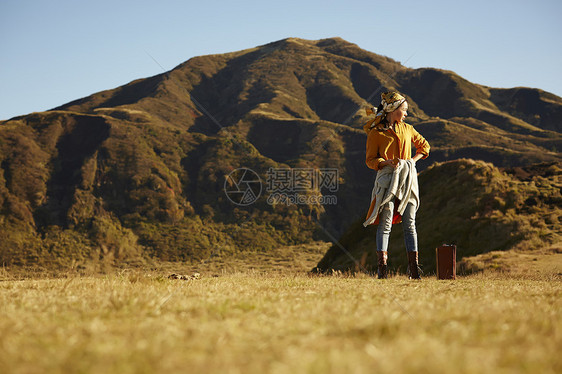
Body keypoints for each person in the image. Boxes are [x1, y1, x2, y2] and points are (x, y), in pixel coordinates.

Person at [362, 91, 430, 279]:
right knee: (385, 223)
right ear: (393, 110)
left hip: (407, 179)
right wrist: (386, 162)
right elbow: (370, 160)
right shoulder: (376, 133)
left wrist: (412, 161)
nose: (406, 114)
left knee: (410, 222)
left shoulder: (408, 129)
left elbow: (424, 146)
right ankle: (382, 270)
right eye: (404, 110)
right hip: (387, 180)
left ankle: (414, 270)